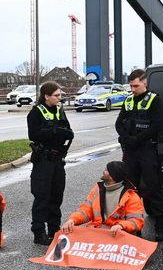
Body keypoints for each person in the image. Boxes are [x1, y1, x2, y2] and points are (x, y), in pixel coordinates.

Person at [116, 68, 163, 241]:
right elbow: (119, 123)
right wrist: (125, 138)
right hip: (131, 150)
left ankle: (159, 226)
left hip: (146, 149)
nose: (132, 89)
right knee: (131, 188)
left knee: (153, 187)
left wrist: (137, 139)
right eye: (130, 86)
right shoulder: (128, 100)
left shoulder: (155, 100)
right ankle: (133, 225)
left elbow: (156, 126)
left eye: (136, 86)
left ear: (145, 83)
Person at [28, 81, 75, 245]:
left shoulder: (60, 111)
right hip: (44, 160)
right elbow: (34, 134)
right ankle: (39, 232)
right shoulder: (36, 112)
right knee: (42, 196)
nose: (59, 98)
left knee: (57, 195)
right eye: (56, 95)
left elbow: (68, 131)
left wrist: (64, 133)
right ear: (46, 96)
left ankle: (54, 228)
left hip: (58, 160)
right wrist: (54, 131)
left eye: (60, 95)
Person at [59, 161, 144, 236]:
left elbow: (137, 221)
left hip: (118, 235)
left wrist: (121, 226)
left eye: (106, 170)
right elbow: (85, 211)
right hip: (98, 233)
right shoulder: (97, 189)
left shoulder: (132, 197)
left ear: (112, 176)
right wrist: (72, 220)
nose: (103, 171)